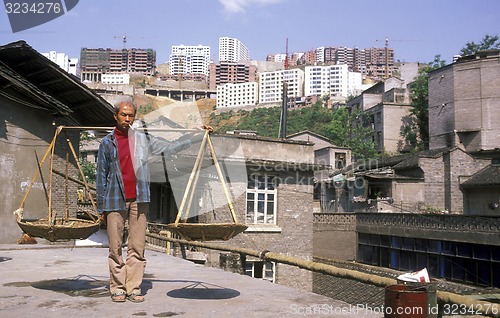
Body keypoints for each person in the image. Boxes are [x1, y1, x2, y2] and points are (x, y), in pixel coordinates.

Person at [96, 98, 208, 303]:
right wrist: (101, 207)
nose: (127, 119)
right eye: (123, 115)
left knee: (137, 246)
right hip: (114, 200)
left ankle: (133, 286)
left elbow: (171, 147)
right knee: (115, 246)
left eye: (131, 115)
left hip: (139, 199)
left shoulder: (142, 139)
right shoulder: (106, 143)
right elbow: (101, 176)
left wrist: (194, 134)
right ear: (115, 116)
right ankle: (118, 287)